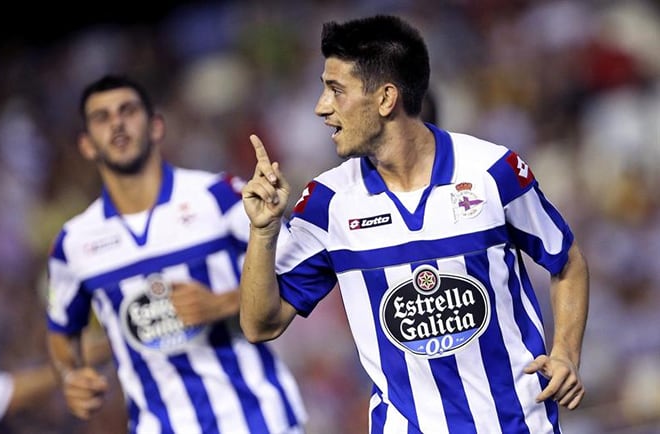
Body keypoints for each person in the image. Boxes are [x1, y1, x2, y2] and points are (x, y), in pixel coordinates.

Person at [239, 14, 589, 434]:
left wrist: (566, 351)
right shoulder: (328, 203)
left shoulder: (493, 172)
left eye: (336, 90)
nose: (321, 106)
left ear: (386, 99)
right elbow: (261, 324)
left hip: (517, 424)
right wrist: (263, 232)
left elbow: (566, 262)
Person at [46, 74, 306, 434]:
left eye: (128, 110)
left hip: (260, 419)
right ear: (87, 144)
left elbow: (301, 264)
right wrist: (70, 374)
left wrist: (227, 303)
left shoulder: (217, 195)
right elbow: (61, 329)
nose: (117, 123)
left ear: (156, 126)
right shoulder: (72, 244)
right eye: (102, 117)